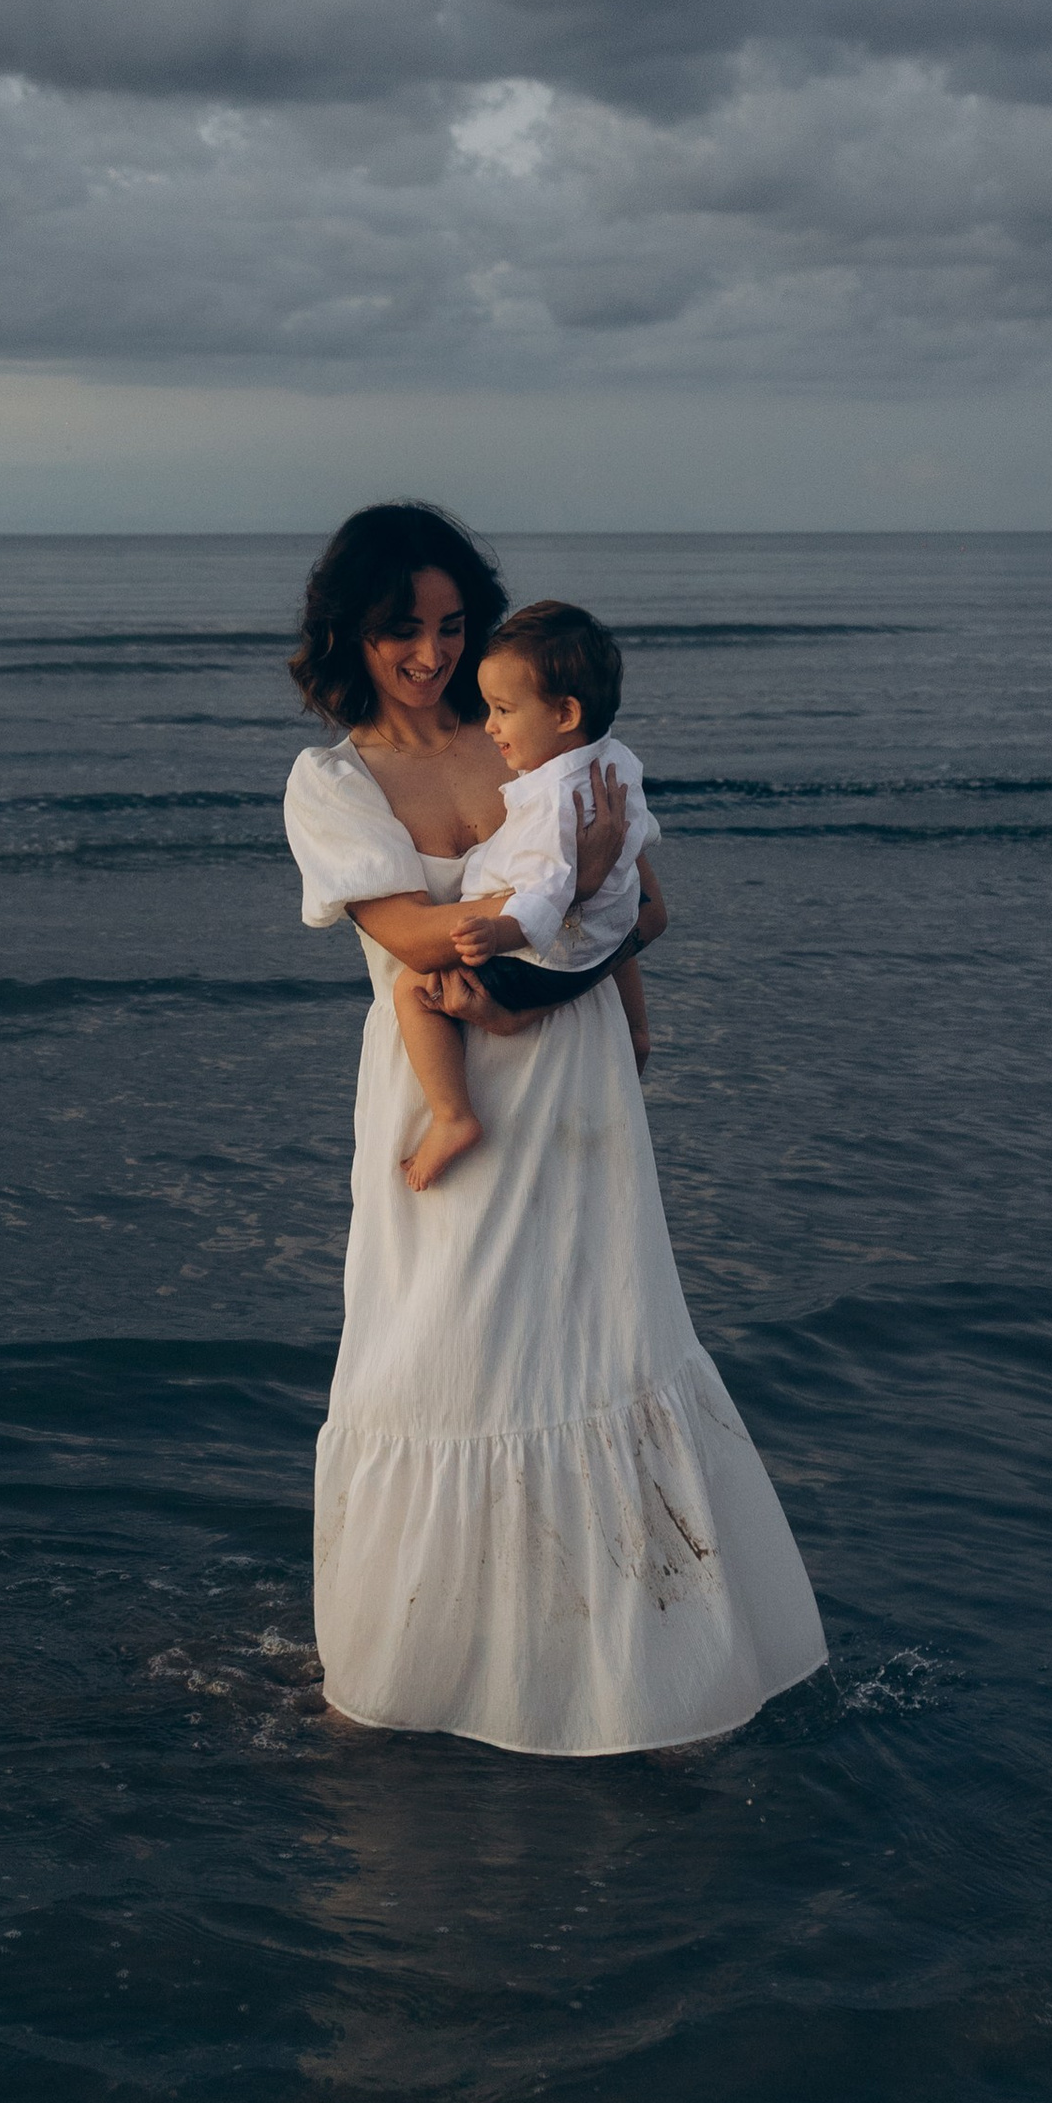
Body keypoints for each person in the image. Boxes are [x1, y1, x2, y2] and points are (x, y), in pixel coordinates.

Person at [282, 500, 827, 1759]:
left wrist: (587, 910)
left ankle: (641, 1676)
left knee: (594, 1342)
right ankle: (418, 1671)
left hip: (575, 1088)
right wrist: (568, 900)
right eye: (398, 631)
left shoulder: (532, 738)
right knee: (436, 1357)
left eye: (449, 627)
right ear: (349, 635)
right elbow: (409, 937)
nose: (427, 655)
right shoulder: (334, 780)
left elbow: (647, 912)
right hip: (443, 1096)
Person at [390, 598, 657, 1191]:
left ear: (565, 713)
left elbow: (546, 895)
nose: (490, 727)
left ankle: (453, 1117)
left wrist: (499, 931)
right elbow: (639, 880)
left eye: (504, 711)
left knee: (412, 986)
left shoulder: (551, 802)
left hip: (548, 959)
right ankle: (633, 1031)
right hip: (604, 946)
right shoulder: (614, 763)